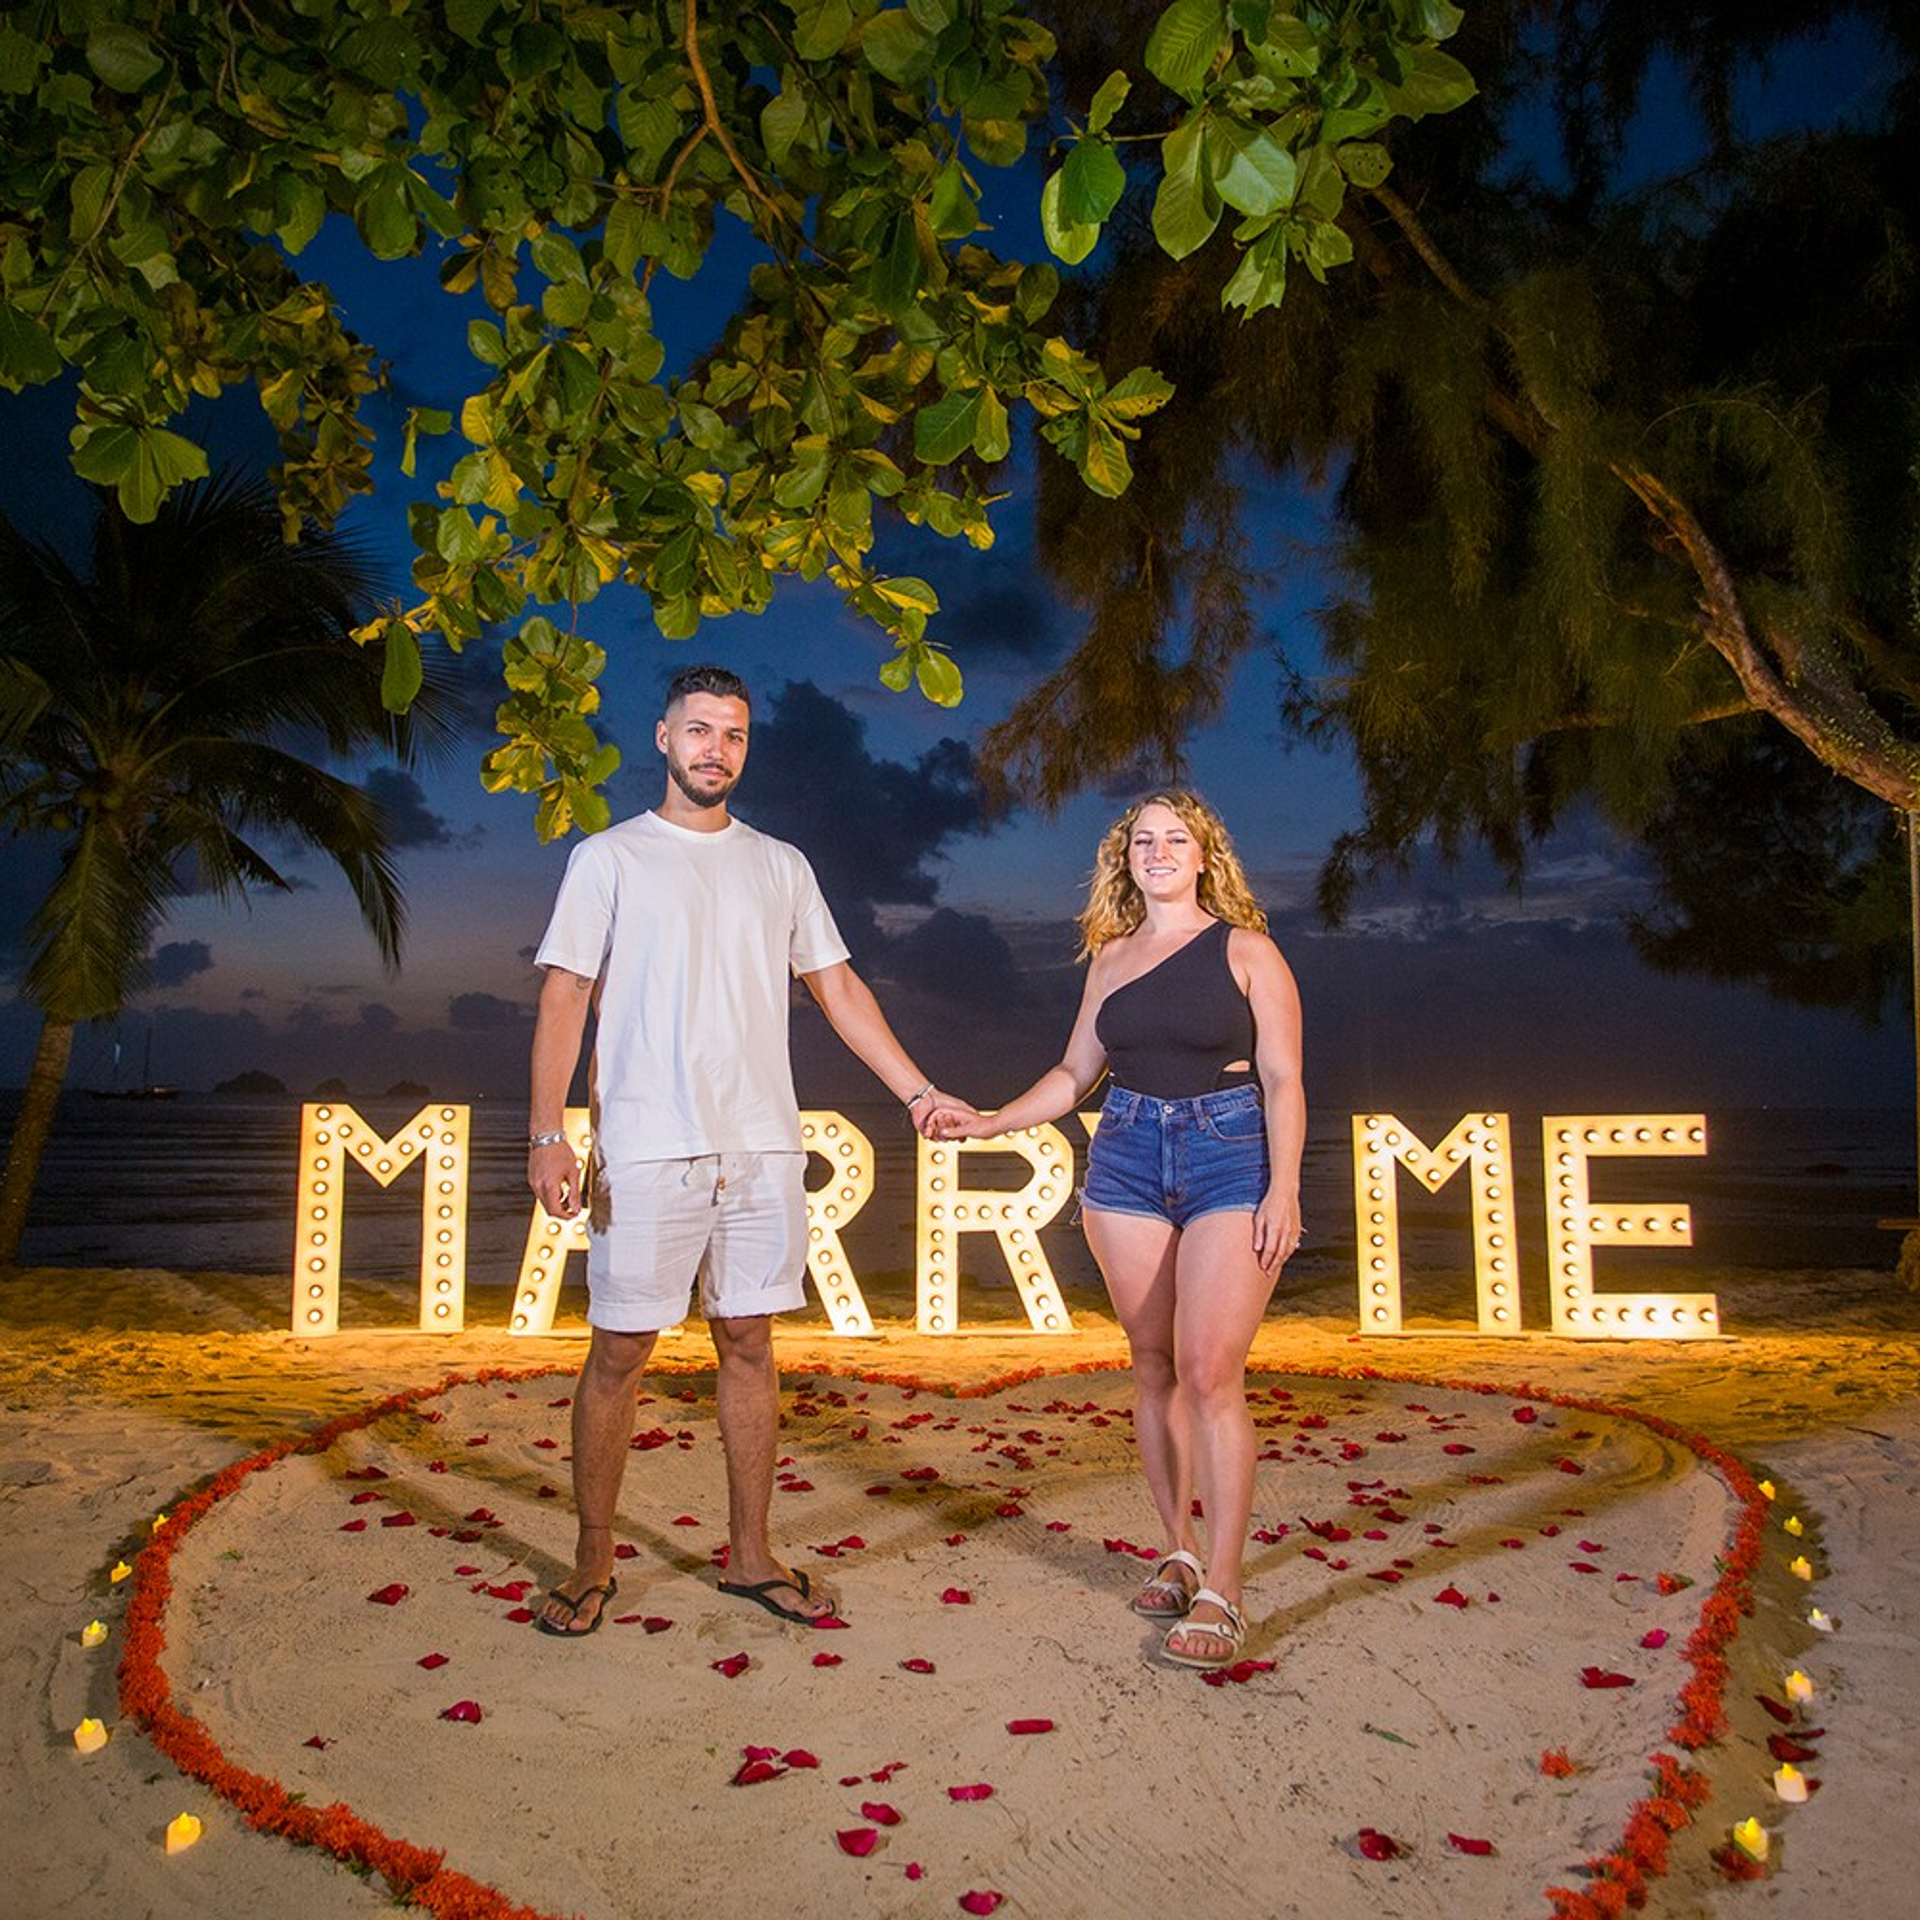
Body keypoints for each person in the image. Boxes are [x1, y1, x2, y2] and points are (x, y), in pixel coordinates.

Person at [526, 664, 966, 1637]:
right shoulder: (609, 860)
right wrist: (550, 1131)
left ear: (744, 748)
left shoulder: (781, 866)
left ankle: (751, 1556)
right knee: (619, 1353)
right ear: (663, 738)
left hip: (762, 1149)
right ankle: (592, 1563)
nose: (714, 748)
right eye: (698, 730)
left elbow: (840, 990)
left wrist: (919, 1092)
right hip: (645, 1149)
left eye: (732, 734)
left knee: (751, 1345)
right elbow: (564, 993)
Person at [928, 791, 1304, 1669]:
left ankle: (1224, 1585)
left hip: (1228, 1157)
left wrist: (1283, 1188)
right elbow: (1073, 1074)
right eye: (1145, 840)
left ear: (1205, 854)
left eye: (1177, 839)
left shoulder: (1248, 950)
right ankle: (1176, 1547)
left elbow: (1283, 1079)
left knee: (1212, 1370)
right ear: (1124, 857)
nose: (1160, 851)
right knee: (1153, 1362)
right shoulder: (1108, 957)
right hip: (1126, 1156)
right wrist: (988, 1122)